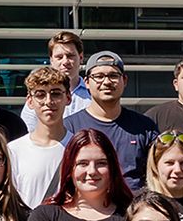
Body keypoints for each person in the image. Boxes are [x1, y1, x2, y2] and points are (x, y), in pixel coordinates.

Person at [65, 50, 159, 188]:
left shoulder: (144, 127)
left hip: (134, 206)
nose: (107, 82)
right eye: (99, 76)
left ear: (124, 80)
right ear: (86, 82)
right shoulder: (70, 127)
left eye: (113, 76)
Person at [7, 66, 69, 208]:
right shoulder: (14, 150)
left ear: (68, 98)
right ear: (29, 101)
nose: (48, 101)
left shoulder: (78, 147)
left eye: (56, 94)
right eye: (40, 95)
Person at [20, 30, 91, 129]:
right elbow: (29, 130)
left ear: (81, 57)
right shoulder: (39, 96)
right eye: (59, 57)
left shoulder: (92, 94)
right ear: (51, 60)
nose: (65, 61)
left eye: (70, 56)